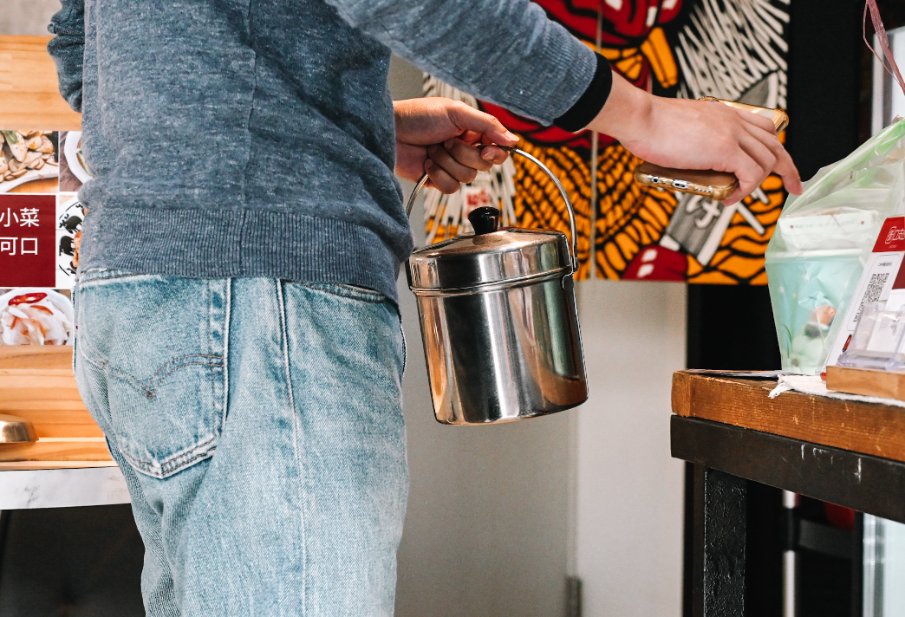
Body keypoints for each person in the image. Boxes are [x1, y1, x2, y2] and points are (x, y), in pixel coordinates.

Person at [47, 0, 801, 614]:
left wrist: (356, 127)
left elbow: (85, 49)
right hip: (258, 297)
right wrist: (645, 116)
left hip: (137, 293)